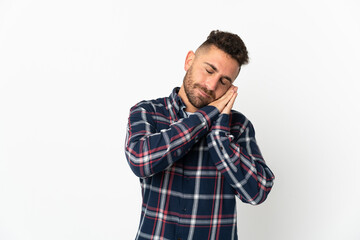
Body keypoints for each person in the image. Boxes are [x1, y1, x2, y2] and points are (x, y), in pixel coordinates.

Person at [125, 30, 275, 240]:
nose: (211, 85)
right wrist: (208, 116)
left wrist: (220, 136)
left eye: (224, 81)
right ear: (189, 61)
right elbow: (141, 161)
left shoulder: (238, 127)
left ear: (231, 88)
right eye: (209, 70)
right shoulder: (148, 112)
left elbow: (257, 193)